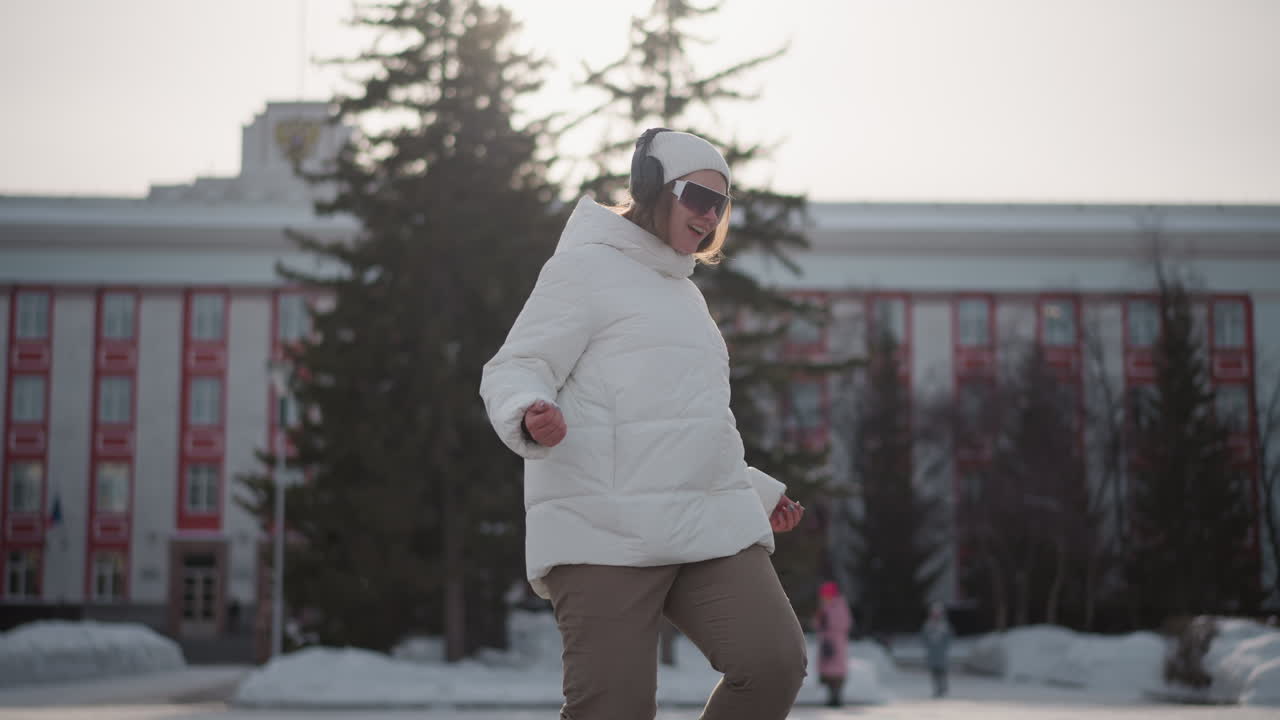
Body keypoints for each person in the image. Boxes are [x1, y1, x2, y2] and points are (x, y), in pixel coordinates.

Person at [480, 128, 808, 720]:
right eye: (696, 197)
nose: (708, 216)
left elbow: (688, 421)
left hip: (699, 523)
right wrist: (529, 413)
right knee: (614, 711)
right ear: (652, 189)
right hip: (602, 529)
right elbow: (516, 366)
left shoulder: (686, 297)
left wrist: (753, 492)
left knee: (773, 662)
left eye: (720, 204)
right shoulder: (583, 269)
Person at [813, 581, 852, 707]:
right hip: (827, 644)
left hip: (836, 644)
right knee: (829, 673)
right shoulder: (825, 607)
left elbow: (844, 623)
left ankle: (836, 698)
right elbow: (818, 624)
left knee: (836, 673)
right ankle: (832, 697)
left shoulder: (839, 606)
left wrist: (827, 623)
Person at [921, 601, 953, 698]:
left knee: (942, 671)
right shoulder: (928, 625)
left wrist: (945, 647)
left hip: (941, 653)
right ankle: (937, 689)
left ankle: (943, 688)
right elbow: (924, 637)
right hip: (932, 653)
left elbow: (949, 638)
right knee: (934, 672)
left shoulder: (944, 626)